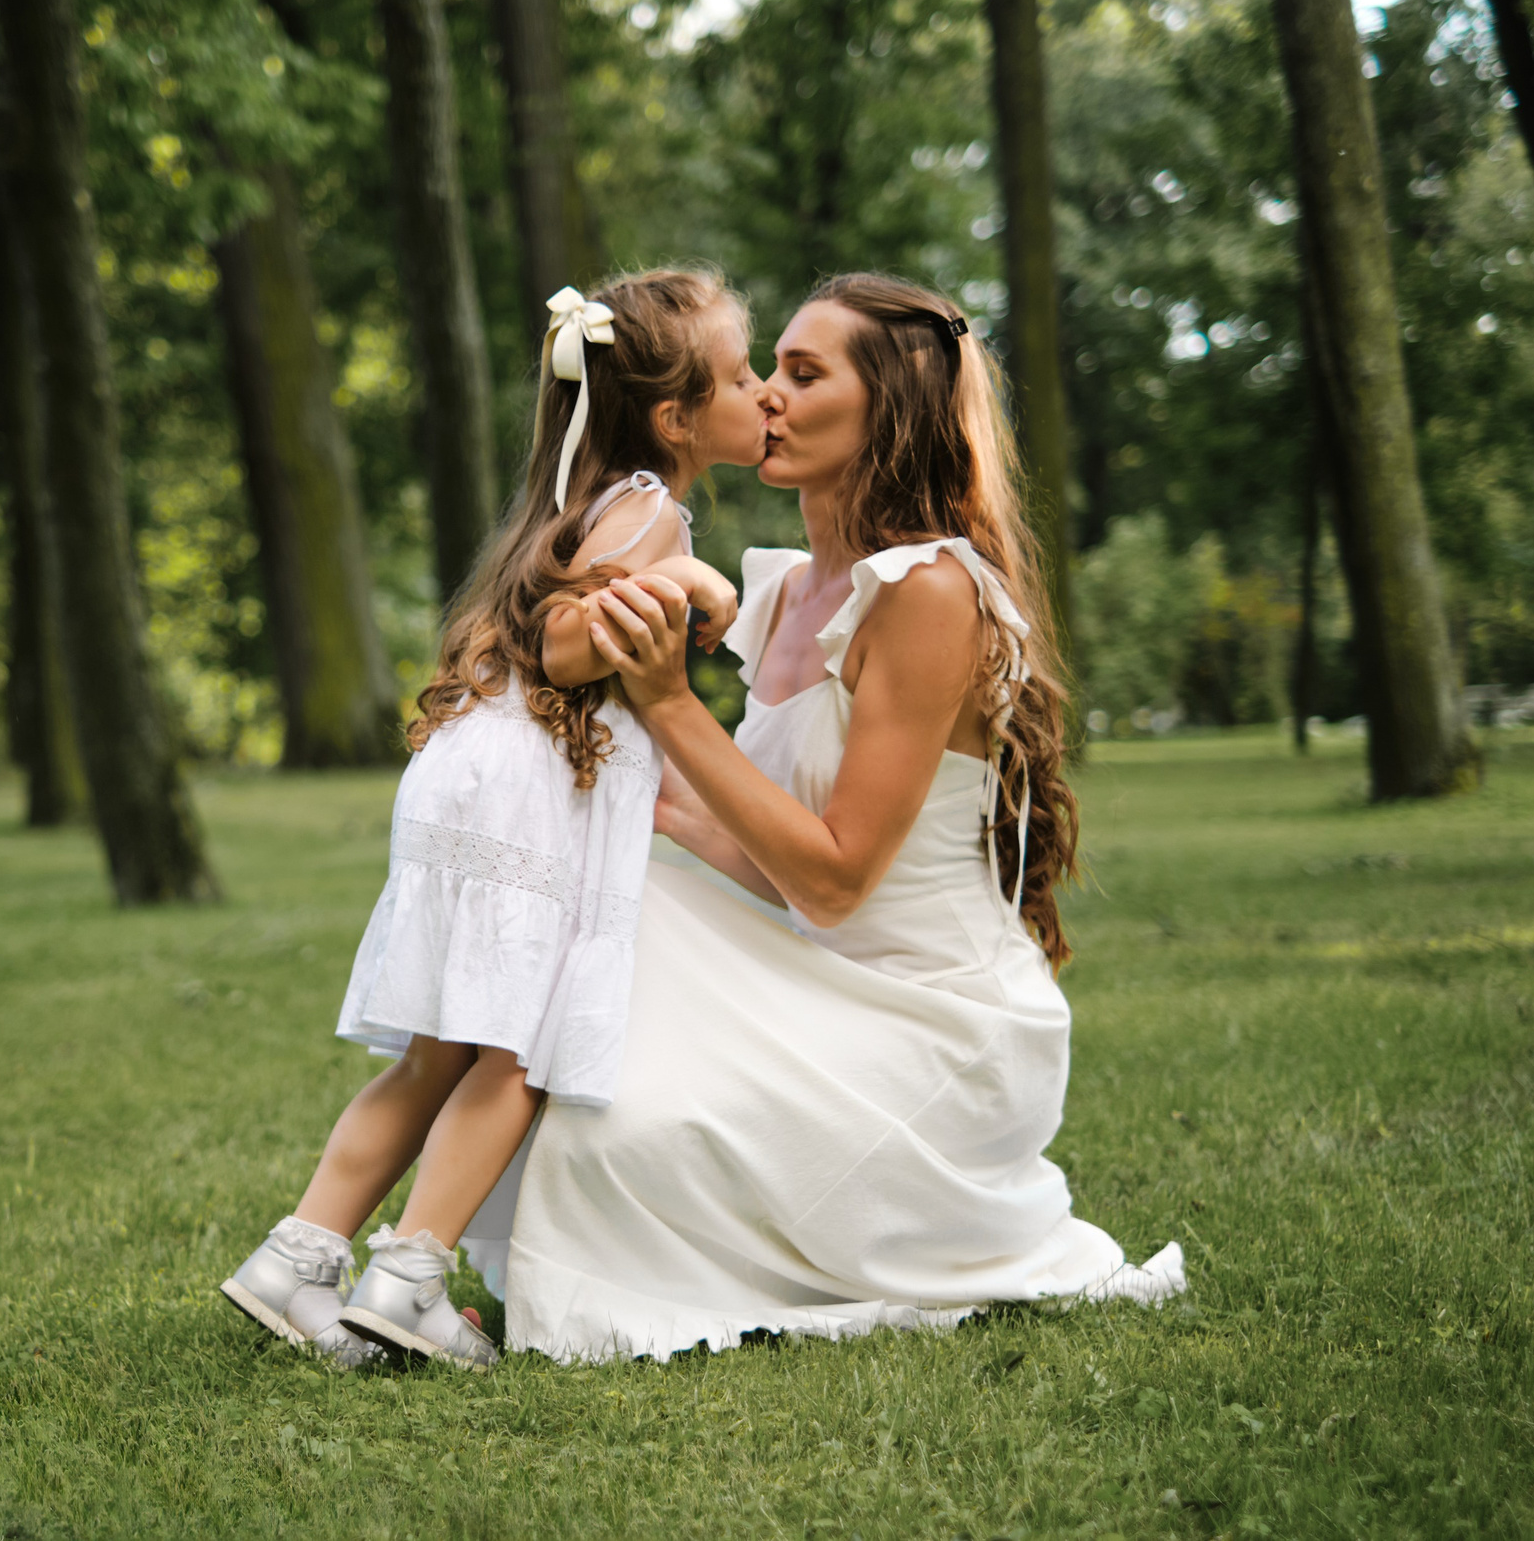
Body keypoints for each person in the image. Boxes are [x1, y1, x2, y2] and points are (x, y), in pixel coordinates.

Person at [505, 271, 1183, 1363]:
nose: (765, 393)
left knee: (610, 1137)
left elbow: (830, 876)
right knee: (566, 996)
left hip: (925, 1021)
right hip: (810, 965)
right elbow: (769, 863)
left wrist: (670, 705)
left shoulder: (927, 592)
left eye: (803, 373)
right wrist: (637, 815)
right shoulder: (776, 594)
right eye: (766, 366)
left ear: (891, 411)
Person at [220, 271, 768, 1370]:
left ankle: (299, 1255)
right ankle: (413, 1275)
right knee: (518, 1053)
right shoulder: (652, 508)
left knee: (438, 1053)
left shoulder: (577, 496)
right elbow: (570, 641)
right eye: (746, 374)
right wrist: (693, 591)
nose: (763, 393)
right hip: (530, 790)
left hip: (472, 769)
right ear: (674, 419)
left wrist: (691, 587)